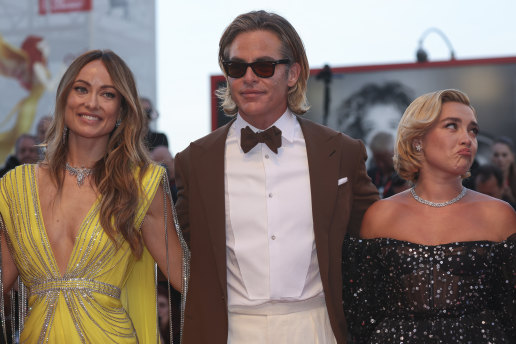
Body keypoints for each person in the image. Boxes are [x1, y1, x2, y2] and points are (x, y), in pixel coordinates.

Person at [174, 10, 378, 344]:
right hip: (228, 330)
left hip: (318, 327)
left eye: (264, 66)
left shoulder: (341, 153)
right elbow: (182, 250)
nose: (249, 77)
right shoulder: (196, 160)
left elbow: (374, 237)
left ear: (293, 73)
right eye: (237, 67)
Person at [0, 50, 188, 343]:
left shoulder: (141, 184)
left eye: (108, 94)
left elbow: (187, 278)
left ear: (122, 110)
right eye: (82, 89)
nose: (92, 103)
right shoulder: (15, 187)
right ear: (65, 98)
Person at [342, 89, 516, 343]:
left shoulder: (499, 215)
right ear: (417, 140)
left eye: (473, 130)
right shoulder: (380, 216)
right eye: (452, 126)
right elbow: (362, 316)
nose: (467, 139)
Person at [367, 131, 408, 198]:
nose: (380, 164)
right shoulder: (369, 175)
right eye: (377, 159)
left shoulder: (405, 176)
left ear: (394, 152)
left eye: (384, 160)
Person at [491, 136, 516, 204]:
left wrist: (510, 197)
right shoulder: (481, 179)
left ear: (512, 157)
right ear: (491, 158)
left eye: (504, 155)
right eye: (496, 155)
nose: (500, 159)